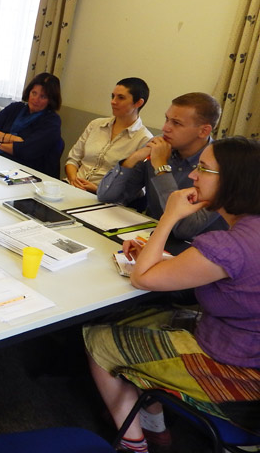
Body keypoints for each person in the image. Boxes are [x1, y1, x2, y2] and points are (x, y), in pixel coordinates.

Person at [84, 136, 260, 453]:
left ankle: (133, 442)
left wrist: (169, 217)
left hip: (234, 365)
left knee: (98, 337)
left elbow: (141, 279)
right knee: (132, 317)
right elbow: (220, 272)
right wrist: (161, 258)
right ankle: (156, 427)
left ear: (233, 181)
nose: (193, 175)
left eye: (204, 169)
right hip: (244, 342)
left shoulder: (227, 245)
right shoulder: (250, 231)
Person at [98, 92, 227, 239]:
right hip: (150, 234)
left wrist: (161, 167)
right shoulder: (159, 145)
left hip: (196, 249)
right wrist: (131, 159)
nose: (165, 128)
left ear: (203, 131)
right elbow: (107, 196)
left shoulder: (222, 166)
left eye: (176, 123)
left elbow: (184, 229)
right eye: (167, 119)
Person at [65, 77, 153, 192]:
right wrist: (73, 179)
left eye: (120, 98)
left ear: (138, 103)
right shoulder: (96, 124)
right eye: (113, 96)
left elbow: (135, 187)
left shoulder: (145, 139)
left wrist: (98, 190)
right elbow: (73, 159)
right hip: (72, 185)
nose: (113, 101)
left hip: (104, 197)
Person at [0, 72, 63, 177]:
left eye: (43, 97)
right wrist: (12, 138)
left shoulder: (52, 122)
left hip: (26, 172)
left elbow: (26, 151)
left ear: (50, 101)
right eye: (34, 93)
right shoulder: (15, 108)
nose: (36, 99)